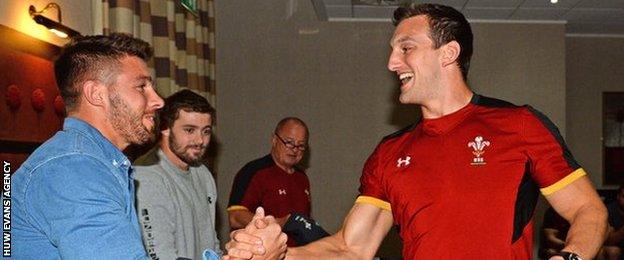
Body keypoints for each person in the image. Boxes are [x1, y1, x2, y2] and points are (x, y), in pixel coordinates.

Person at [226, 3, 608, 259]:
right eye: (393, 50)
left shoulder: (520, 126)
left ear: (449, 53)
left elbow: (589, 211)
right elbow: (351, 247)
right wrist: (280, 253)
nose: (392, 62)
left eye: (406, 48)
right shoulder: (390, 152)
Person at [10, 33, 164, 259]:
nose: (158, 100)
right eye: (142, 86)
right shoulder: (74, 169)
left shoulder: (90, 161)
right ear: (96, 94)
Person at [134, 89, 221, 259]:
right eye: (189, 130)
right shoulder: (146, 176)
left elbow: (212, 247)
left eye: (206, 131)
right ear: (166, 129)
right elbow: (159, 256)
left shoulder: (203, 175)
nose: (200, 141)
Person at [227, 117, 328, 246]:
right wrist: (282, 222)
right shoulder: (253, 171)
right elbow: (235, 217)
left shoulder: (302, 177)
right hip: (263, 253)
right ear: (274, 140)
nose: (294, 149)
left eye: (301, 145)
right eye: (289, 142)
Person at [602, 184, 624, 259]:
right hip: (613, 247)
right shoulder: (608, 211)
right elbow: (608, 242)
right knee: (614, 251)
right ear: (618, 197)